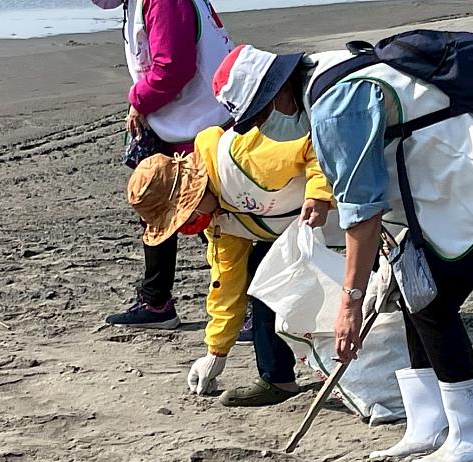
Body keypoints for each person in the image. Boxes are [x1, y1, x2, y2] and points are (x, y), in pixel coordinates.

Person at [212, 42, 473, 462]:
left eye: (258, 116)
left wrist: (350, 303)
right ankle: (428, 425)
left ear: (277, 91)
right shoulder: (324, 74)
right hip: (449, 183)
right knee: (411, 290)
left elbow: (362, 211)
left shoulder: (333, 106)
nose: (261, 128)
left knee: (432, 299)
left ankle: (472, 436)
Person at [127, 115, 340, 406]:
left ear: (191, 192)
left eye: (183, 215)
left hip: (352, 213)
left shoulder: (242, 157)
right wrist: (216, 352)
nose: (188, 225)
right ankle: (277, 380)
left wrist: (318, 195)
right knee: (260, 274)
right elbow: (227, 283)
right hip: (305, 232)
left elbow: (315, 142)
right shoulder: (218, 221)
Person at [91, 0, 233, 329]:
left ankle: (252, 308)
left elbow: (174, 67)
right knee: (156, 205)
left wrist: (139, 101)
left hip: (198, 124)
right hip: (180, 120)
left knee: (211, 220)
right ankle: (156, 301)